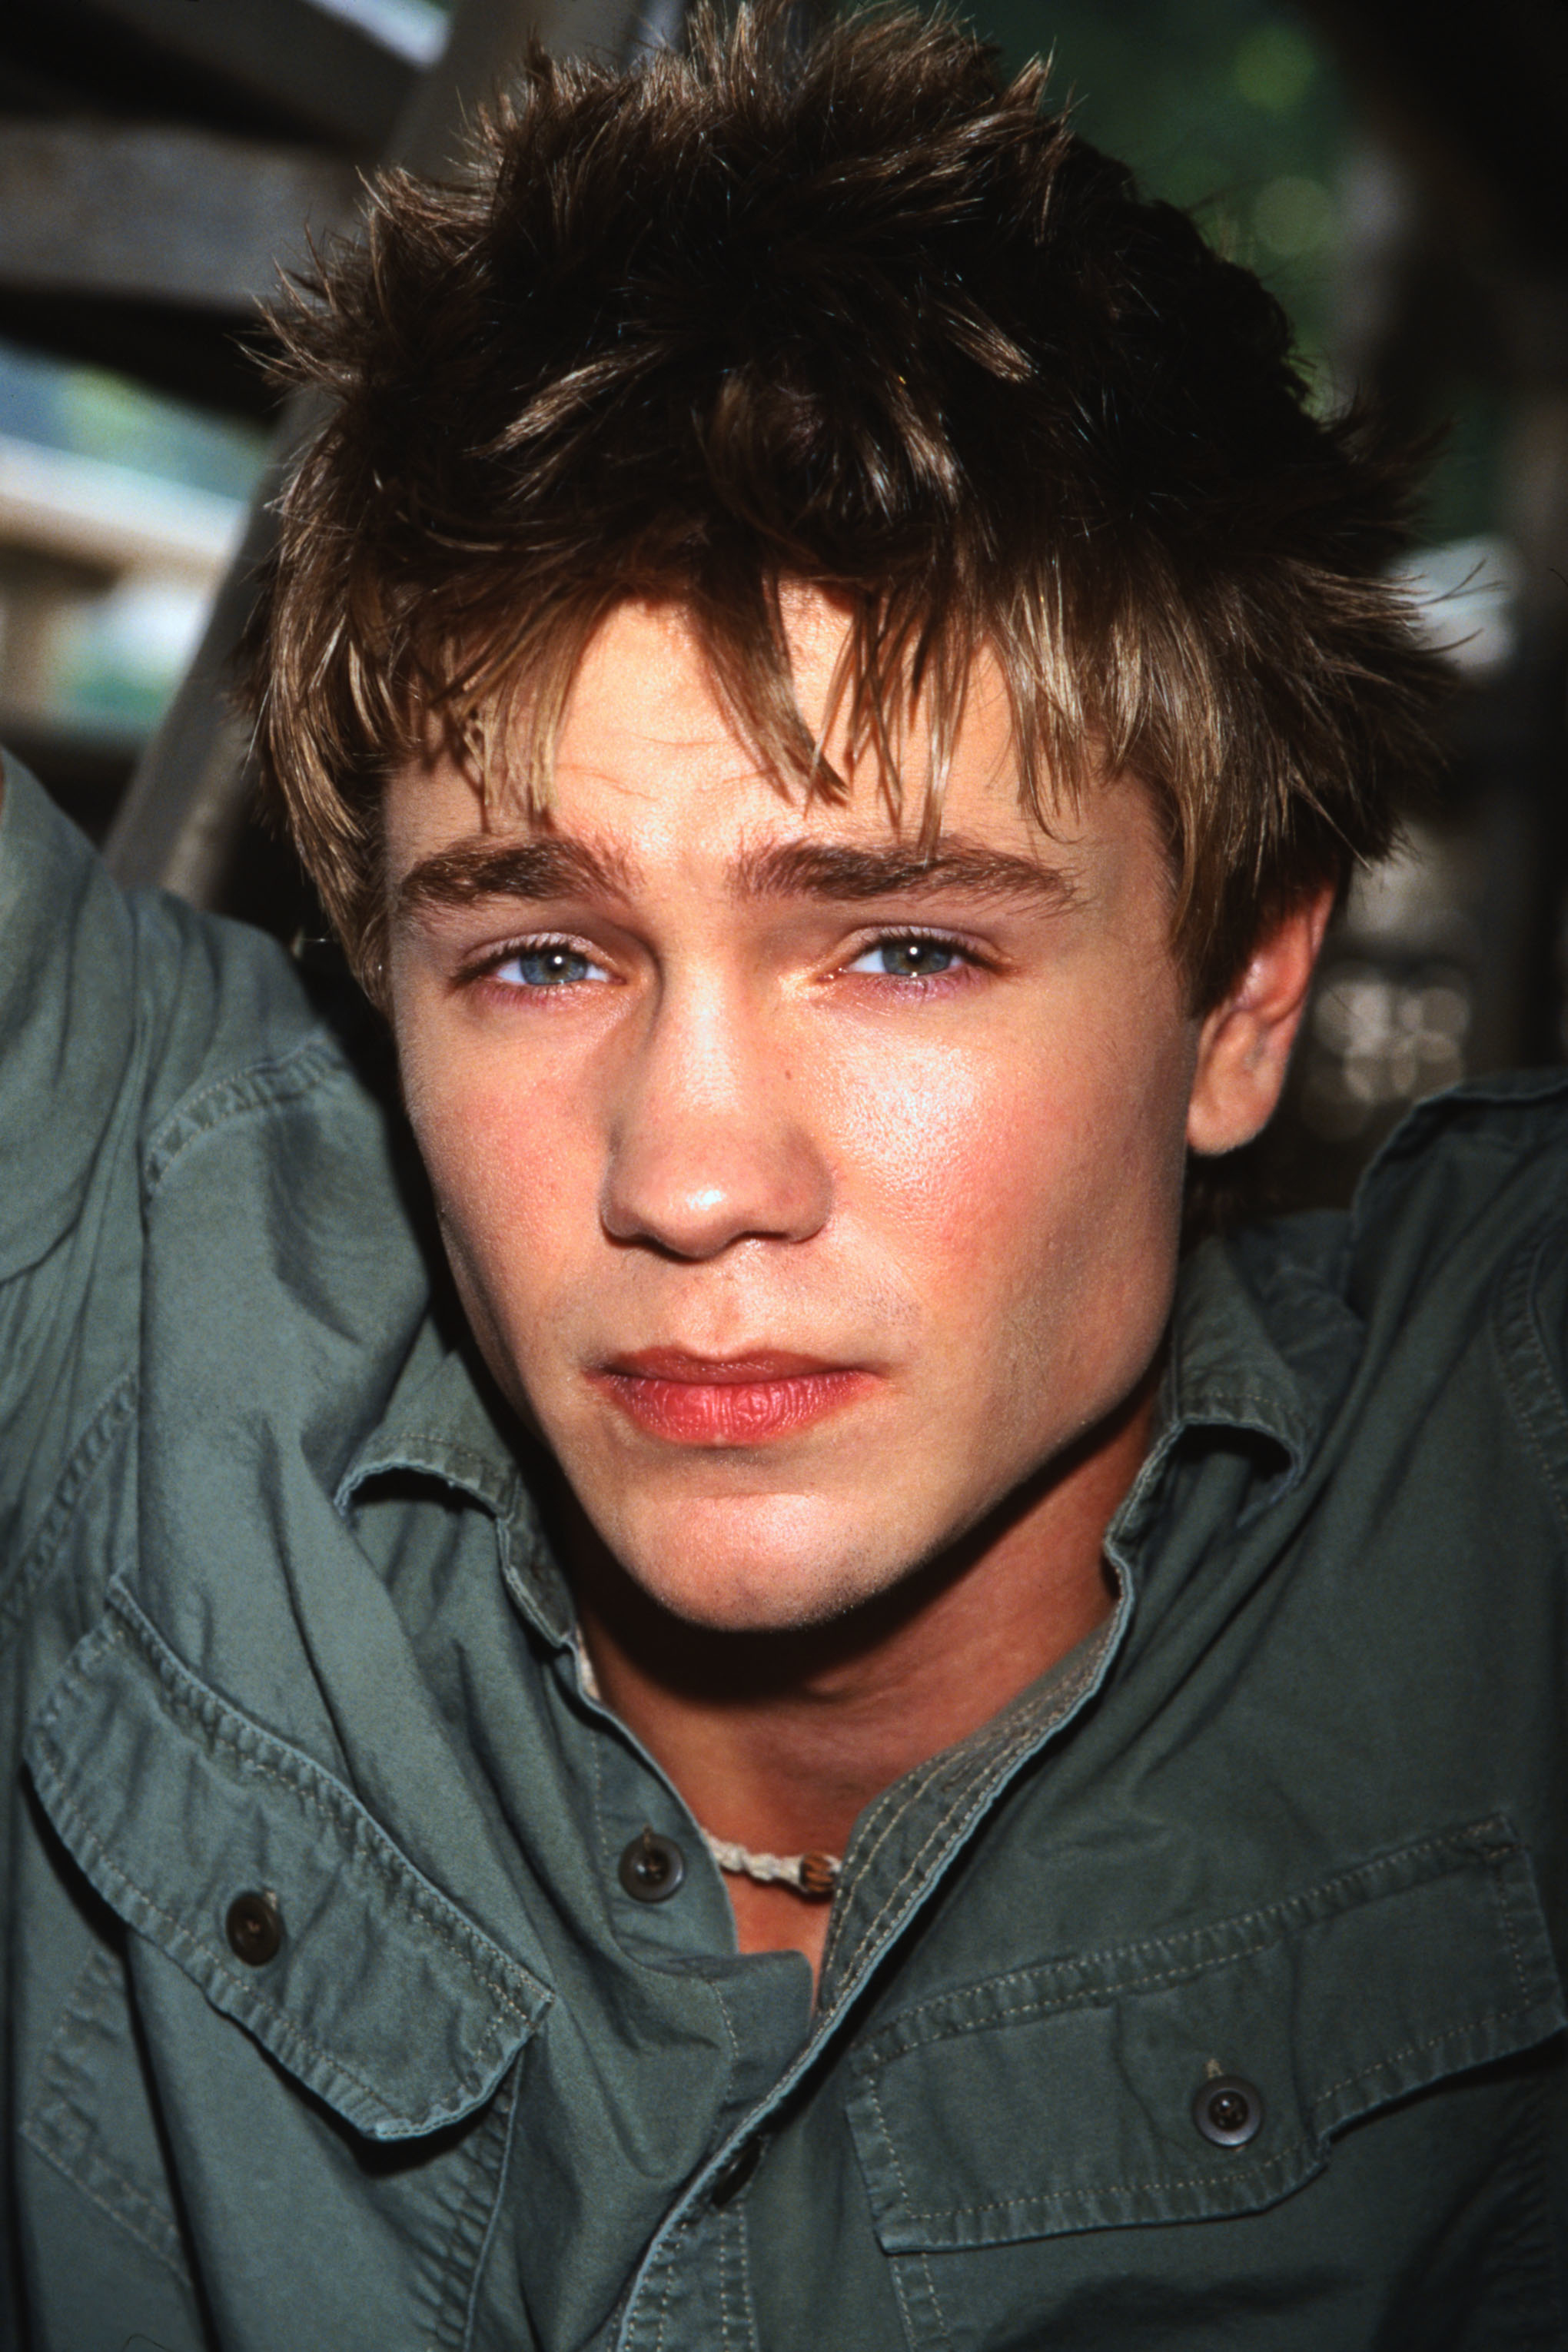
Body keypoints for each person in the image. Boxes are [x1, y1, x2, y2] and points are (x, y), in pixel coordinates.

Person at [4, 7, 1563, 2347]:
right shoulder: (146, 1242)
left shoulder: (1495, 1490)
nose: (695, 1178)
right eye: (540, 955)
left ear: (1242, 1000)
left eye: (909, 944)